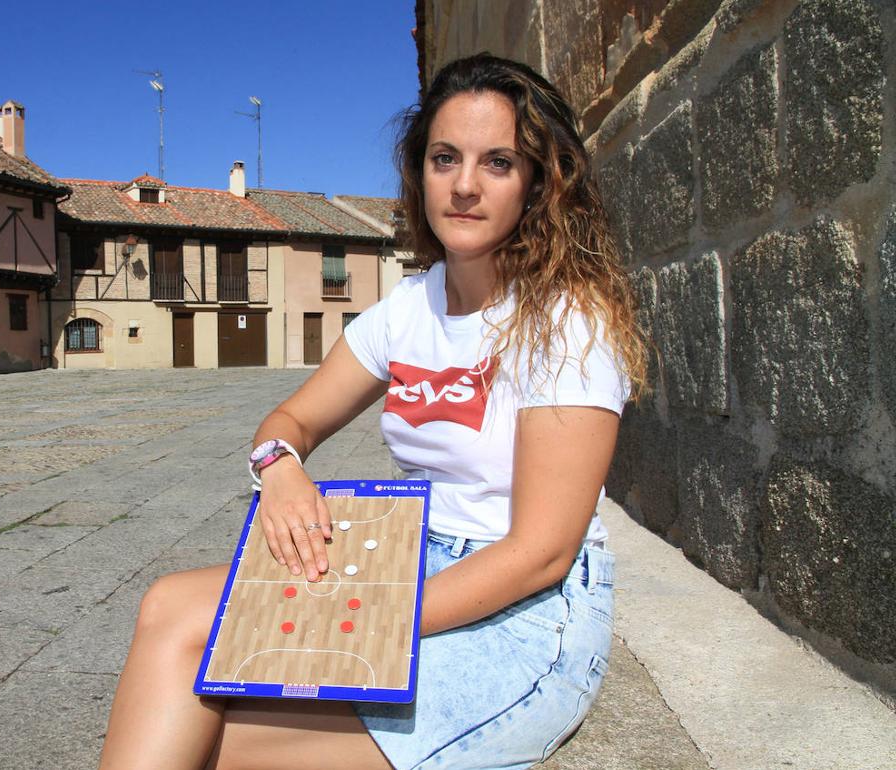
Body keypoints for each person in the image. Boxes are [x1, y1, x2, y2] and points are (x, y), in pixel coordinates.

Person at [99, 52, 649, 770]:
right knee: (170, 607)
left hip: (523, 614)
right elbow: (287, 426)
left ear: (537, 185)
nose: (465, 186)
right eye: (445, 158)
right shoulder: (404, 310)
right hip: (401, 561)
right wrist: (282, 473)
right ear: (419, 174)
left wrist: (371, 617)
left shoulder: (565, 319)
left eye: (499, 163)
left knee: (212, 739)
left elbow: (539, 554)